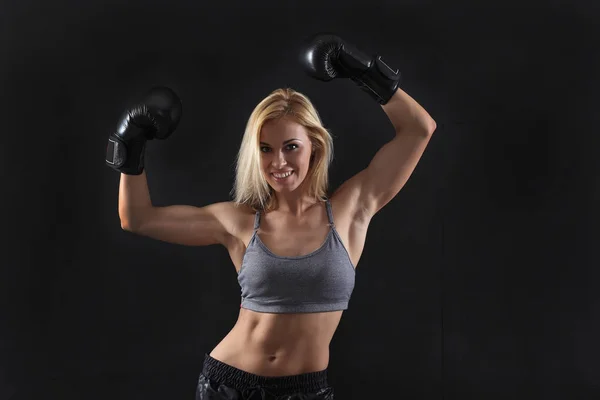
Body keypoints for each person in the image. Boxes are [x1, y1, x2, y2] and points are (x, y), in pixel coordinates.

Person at [106, 33, 436, 400]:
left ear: (315, 146)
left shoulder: (351, 209)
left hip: (305, 391)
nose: (278, 162)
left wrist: (360, 69)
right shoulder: (239, 222)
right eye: (265, 149)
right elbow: (137, 218)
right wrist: (130, 144)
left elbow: (419, 130)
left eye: (291, 147)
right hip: (228, 386)